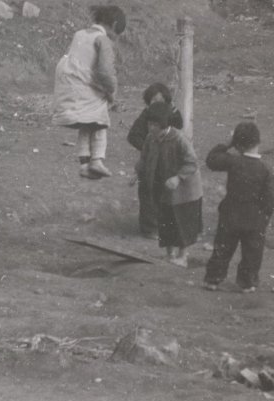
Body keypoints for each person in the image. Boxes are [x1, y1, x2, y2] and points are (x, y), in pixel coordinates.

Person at [54, 5, 126, 180]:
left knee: (87, 123)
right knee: (100, 120)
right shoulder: (103, 40)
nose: (116, 38)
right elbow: (104, 71)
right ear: (114, 25)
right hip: (82, 87)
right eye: (117, 33)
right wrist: (111, 91)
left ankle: (84, 165)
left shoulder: (79, 34)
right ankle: (97, 160)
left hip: (68, 87)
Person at [203, 122, 274, 293]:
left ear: (238, 145)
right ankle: (247, 283)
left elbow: (211, 160)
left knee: (222, 248)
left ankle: (213, 280)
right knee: (252, 253)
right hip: (255, 218)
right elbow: (269, 197)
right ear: (258, 141)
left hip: (230, 214)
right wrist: (264, 216)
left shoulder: (233, 161)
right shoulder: (266, 169)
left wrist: (227, 144)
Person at [136, 102, 203, 267]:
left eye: (155, 125)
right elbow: (144, 158)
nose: (151, 128)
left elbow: (192, 163)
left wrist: (178, 178)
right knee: (165, 221)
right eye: (149, 124)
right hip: (162, 187)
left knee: (181, 223)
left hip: (184, 191)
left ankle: (183, 256)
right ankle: (170, 254)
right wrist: (137, 172)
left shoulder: (179, 139)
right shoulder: (150, 138)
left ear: (164, 124)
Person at [127, 83, 184, 238]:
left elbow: (179, 125)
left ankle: (167, 226)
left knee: (167, 193)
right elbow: (133, 136)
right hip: (150, 161)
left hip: (169, 161)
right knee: (147, 192)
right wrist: (148, 148)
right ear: (148, 102)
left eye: (161, 101)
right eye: (154, 101)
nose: (157, 105)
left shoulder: (170, 112)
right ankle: (149, 228)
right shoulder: (146, 115)